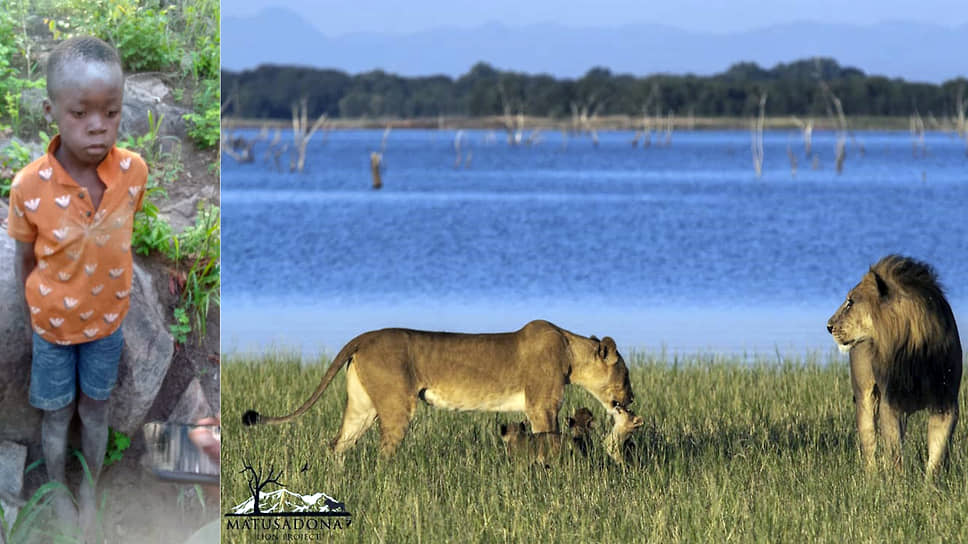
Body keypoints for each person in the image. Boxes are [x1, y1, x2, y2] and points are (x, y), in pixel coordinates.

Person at [5, 35, 147, 537]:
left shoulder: (133, 172)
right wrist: (33, 316)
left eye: (110, 112)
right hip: (51, 329)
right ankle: (59, 489)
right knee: (55, 412)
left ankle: (88, 486)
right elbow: (25, 258)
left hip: (107, 324)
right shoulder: (28, 186)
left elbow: (122, 232)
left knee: (96, 408)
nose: (97, 126)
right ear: (51, 111)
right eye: (81, 112)